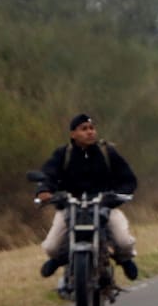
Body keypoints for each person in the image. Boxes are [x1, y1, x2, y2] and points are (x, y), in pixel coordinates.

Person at [36, 113, 139, 281]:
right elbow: (48, 174)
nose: (90, 132)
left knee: (124, 242)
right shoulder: (63, 154)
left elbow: (128, 179)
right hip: (70, 207)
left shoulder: (107, 152)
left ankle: (125, 259)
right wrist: (44, 190)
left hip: (104, 206)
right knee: (51, 247)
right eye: (84, 129)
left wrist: (118, 195)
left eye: (92, 128)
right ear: (73, 134)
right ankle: (59, 260)